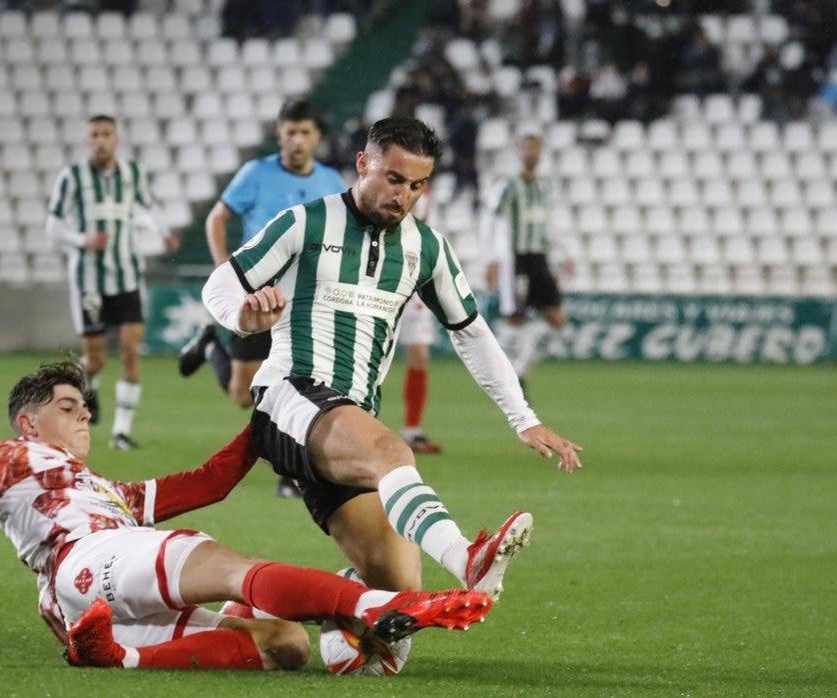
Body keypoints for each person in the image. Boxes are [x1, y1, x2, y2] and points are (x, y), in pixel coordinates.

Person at [0, 360, 493, 672]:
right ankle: (391, 605)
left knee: (285, 644)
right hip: (85, 560)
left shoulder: (105, 489)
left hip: (86, 597)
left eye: (84, 410)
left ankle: (118, 657)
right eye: (67, 408)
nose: (81, 419)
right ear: (28, 421)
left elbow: (209, 479)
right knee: (226, 567)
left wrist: (277, 407)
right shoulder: (11, 458)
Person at [201, 117, 583, 601]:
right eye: (394, 179)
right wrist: (241, 316)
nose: (404, 195)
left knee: (398, 591)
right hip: (289, 398)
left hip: (352, 421)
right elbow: (220, 283)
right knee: (393, 453)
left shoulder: (427, 247)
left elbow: (473, 335)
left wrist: (523, 419)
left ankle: (313, 615)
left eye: (418, 185)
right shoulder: (306, 223)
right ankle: (469, 559)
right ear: (363, 165)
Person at [179, 98, 346, 497]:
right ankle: (208, 349)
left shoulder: (331, 182)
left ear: (316, 137)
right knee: (243, 394)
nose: (297, 140)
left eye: (305, 132)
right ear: (279, 134)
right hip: (258, 297)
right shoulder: (256, 173)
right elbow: (216, 218)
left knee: (298, 382)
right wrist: (227, 272)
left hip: (305, 299)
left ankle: (292, 474)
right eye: (290, 132)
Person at [47, 115, 179, 450]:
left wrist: (161, 233)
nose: (101, 140)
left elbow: (147, 209)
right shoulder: (72, 178)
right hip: (89, 281)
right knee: (95, 359)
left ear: (116, 139)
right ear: (86, 140)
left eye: (107, 134)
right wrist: (83, 240)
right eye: (95, 134)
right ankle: (86, 389)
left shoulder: (132, 174)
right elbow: (54, 226)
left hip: (127, 276)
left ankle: (121, 432)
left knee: (131, 350)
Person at [482, 133, 572, 388]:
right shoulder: (507, 186)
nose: (531, 154)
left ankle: (518, 370)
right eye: (526, 149)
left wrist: (563, 254)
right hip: (514, 258)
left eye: (535, 149)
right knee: (515, 317)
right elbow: (491, 220)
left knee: (556, 319)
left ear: (539, 153)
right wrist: (491, 260)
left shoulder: (545, 186)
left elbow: (548, 224)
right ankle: (499, 377)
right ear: (519, 153)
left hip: (539, 257)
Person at [397, 184, 443, 453]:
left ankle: (412, 432)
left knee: (419, 355)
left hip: (414, 278)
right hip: (383, 275)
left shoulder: (426, 189)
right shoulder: (389, 180)